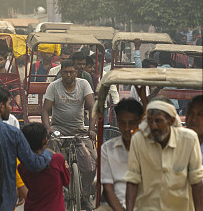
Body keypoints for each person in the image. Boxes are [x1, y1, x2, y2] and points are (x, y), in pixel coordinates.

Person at [123, 99, 203, 211]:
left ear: (171, 121)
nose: (153, 126)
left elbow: (196, 181)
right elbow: (132, 180)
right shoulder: (138, 140)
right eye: (150, 121)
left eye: (158, 121)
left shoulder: (189, 139)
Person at [42, 59, 97, 210]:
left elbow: (92, 107)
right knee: (50, 159)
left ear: (76, 72)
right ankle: (54, 190)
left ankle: (85, 196)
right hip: (58, 128)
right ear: (61, 73)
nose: (68, 75)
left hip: (79, 129)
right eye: (65, 72)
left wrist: (91, 129)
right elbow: (45, 110)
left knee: (91, 163)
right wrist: (48, 129)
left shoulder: (83, 84)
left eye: (71, 72)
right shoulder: (54, 86)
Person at [96, 98, 143, 211]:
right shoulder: (107, 149)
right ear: (117, 121)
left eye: (132, 123)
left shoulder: (149, 148)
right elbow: (107, 188)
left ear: (140, 122)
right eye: (122, 123)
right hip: (115, 205)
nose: (127, 128)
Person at [18, 122, 70, 211]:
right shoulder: (57, 159)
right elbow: (66, 181)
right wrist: (66, 168)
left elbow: (27, 185)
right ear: (45, 141)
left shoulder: (22, 166)